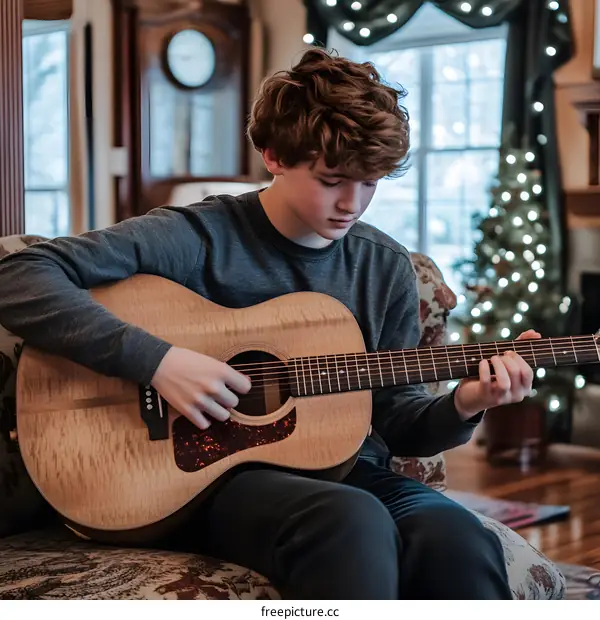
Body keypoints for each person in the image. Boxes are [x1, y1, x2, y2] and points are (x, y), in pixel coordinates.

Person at [0, 48, 539, 600]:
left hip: (343, 468)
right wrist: (159, 362)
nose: (352, 204)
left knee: (457, 535)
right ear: (274, 154)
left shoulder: (384, 267)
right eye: (332, 180)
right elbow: (17, 274)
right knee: (349, 521)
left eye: (370, 183)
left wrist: (467, 402)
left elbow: (395, 419)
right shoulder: (198, 236)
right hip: (205, 480)